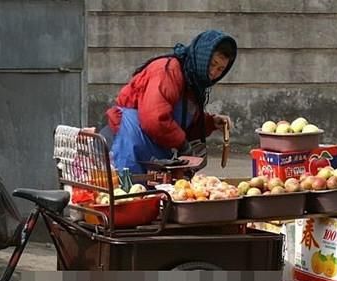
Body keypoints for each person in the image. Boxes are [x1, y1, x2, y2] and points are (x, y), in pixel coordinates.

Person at [101, 30, 237, 174]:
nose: (213, 72)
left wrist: (210, 122)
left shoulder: (193, 84)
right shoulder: (167, 71)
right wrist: (183, 145)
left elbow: (181, 122)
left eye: (220, 69)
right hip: (124, 144)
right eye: (212, 64)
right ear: (202, 56)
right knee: (125, 192)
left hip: (148, 151)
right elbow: (155, 119)